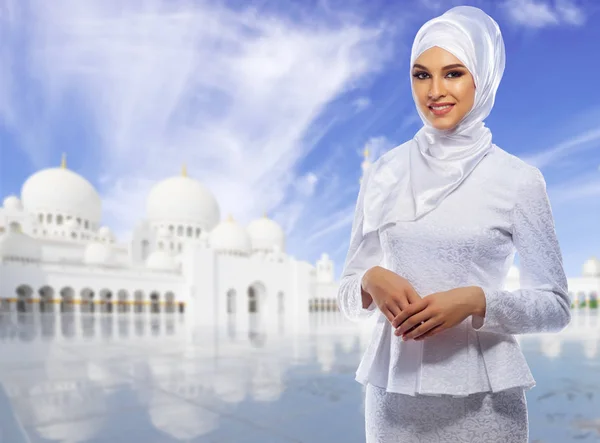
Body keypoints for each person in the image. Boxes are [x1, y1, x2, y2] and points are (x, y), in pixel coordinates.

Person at [337, 5, 572, 443]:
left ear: (481, 77)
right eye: (421, 74)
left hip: (484, 405)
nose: (435, 90)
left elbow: (556, 307)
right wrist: (369, 280)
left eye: (454, 72)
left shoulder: (517, 180)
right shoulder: (385, 172)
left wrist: (475, 301)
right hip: (393, 405)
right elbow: (349, 296)